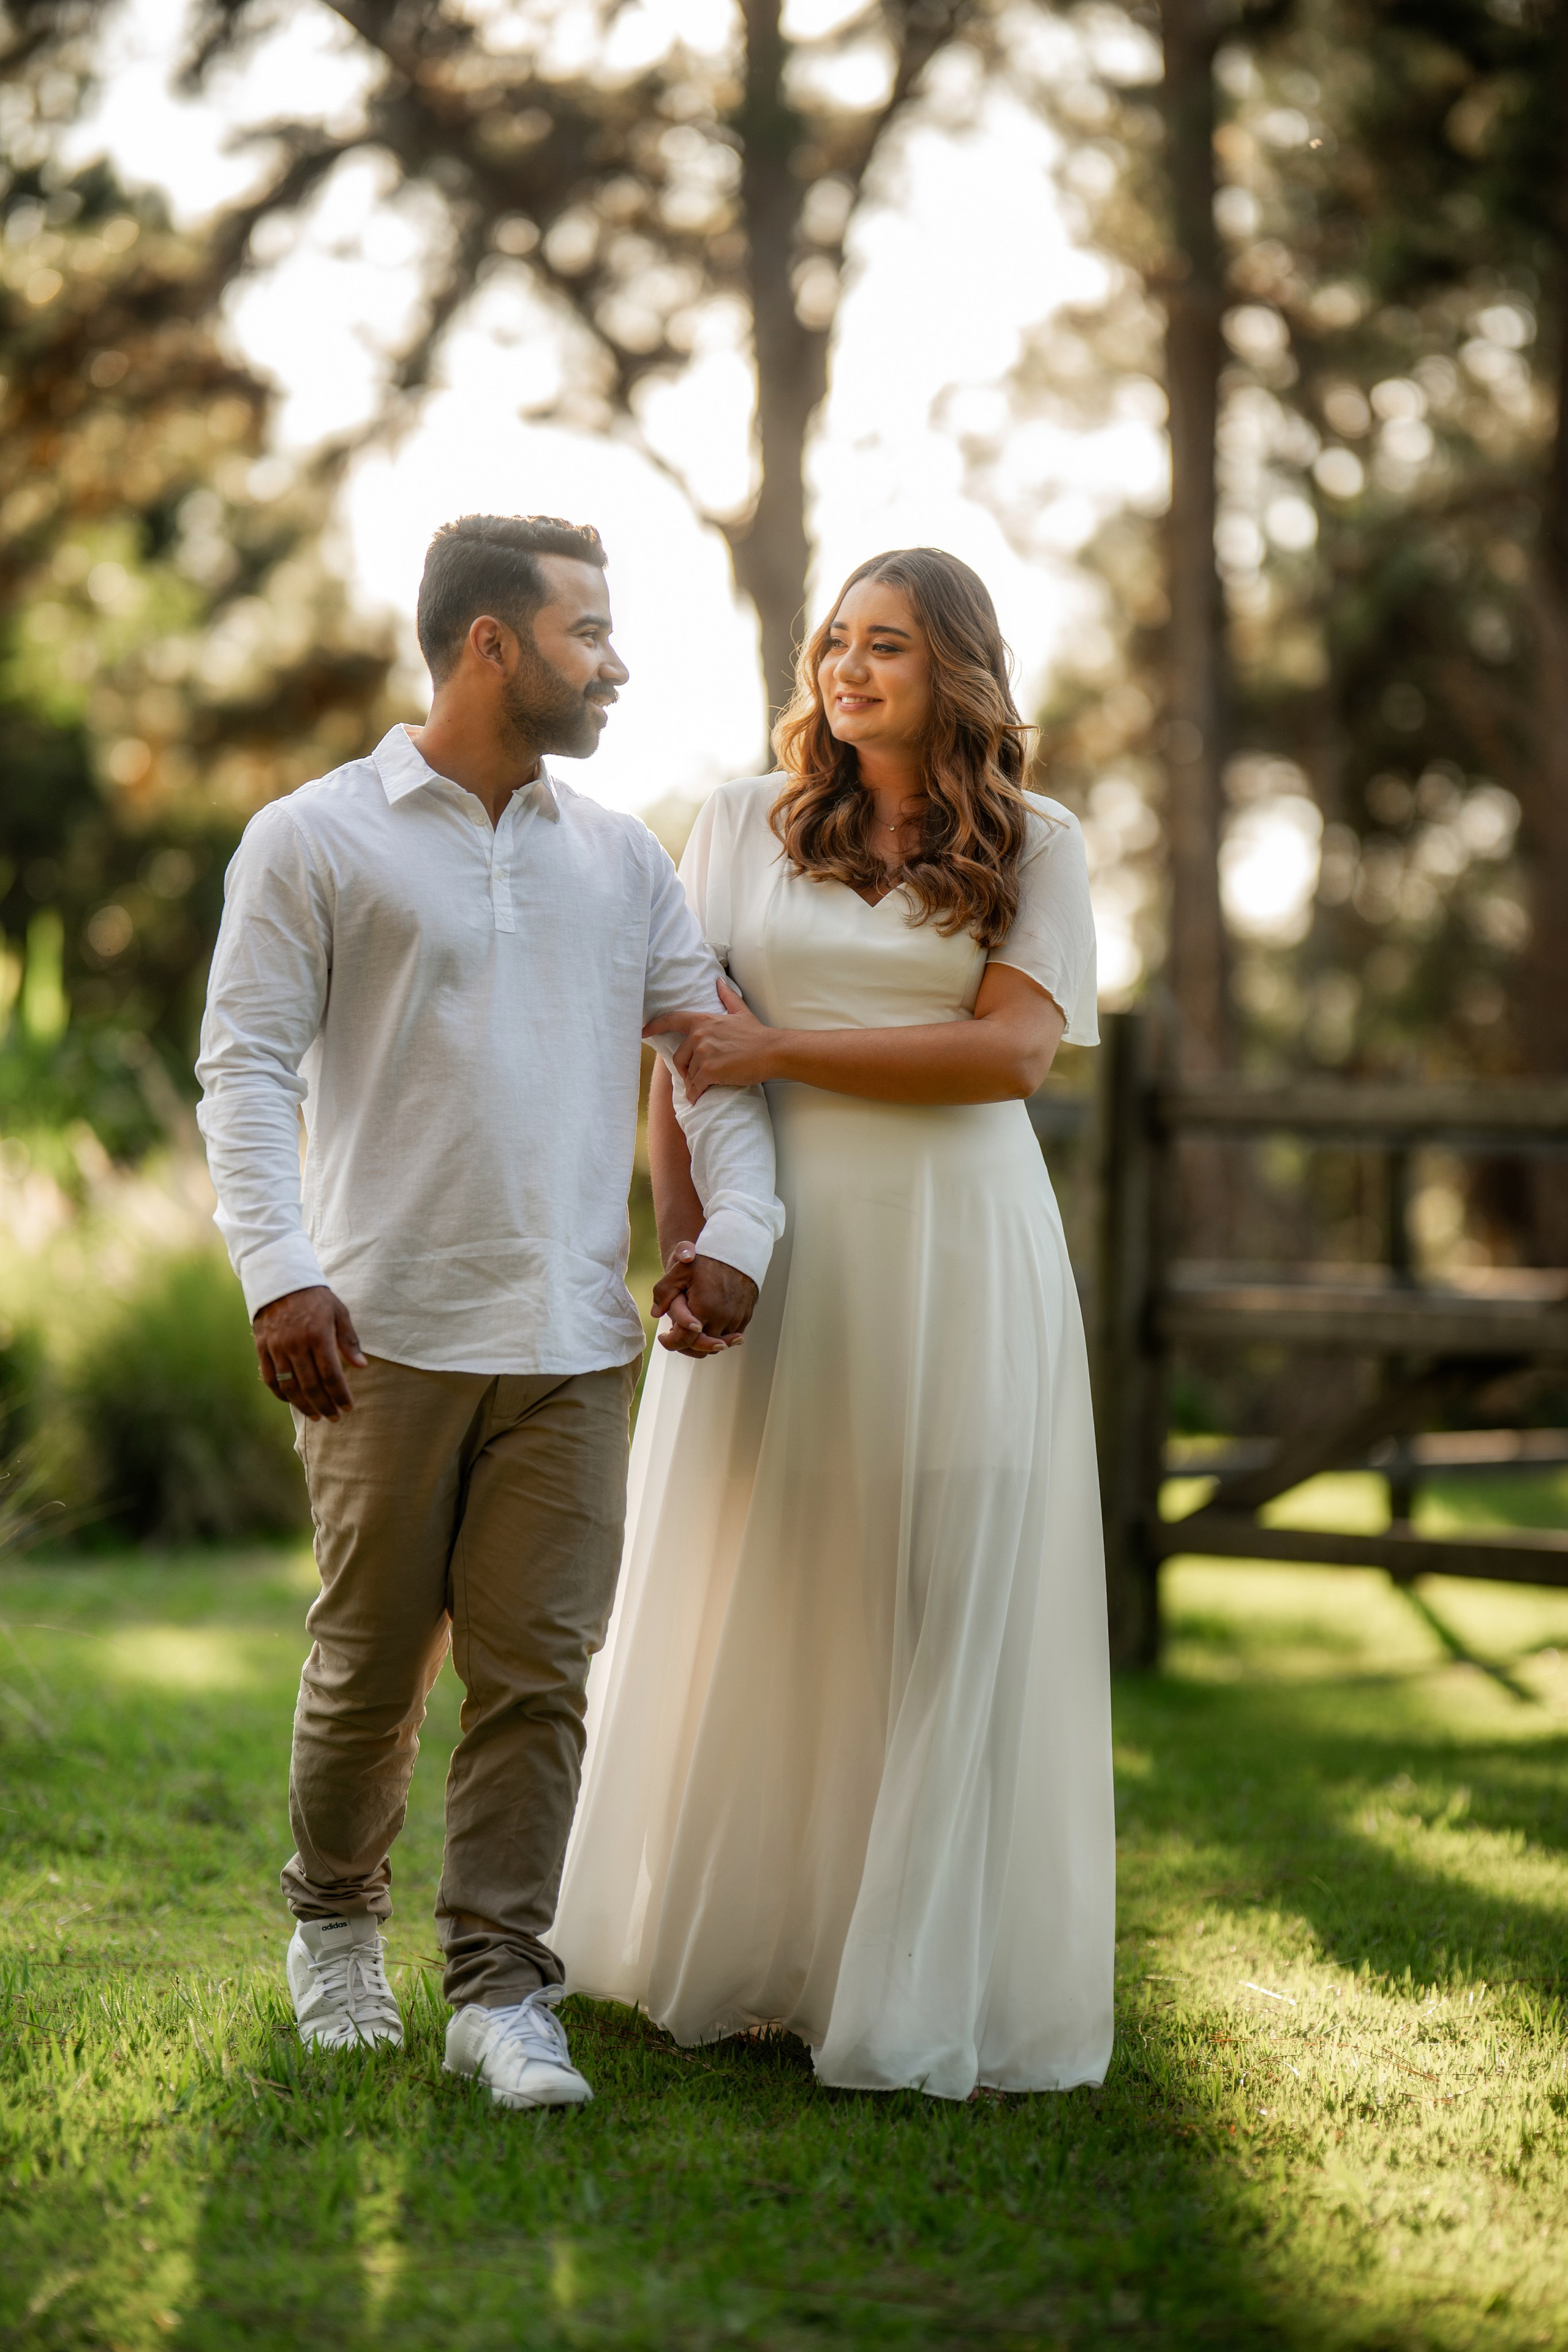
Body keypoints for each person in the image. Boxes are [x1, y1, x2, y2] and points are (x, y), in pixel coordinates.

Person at [195, 513, 782, 2111]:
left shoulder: (623, 857)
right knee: (371, 1671)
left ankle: (498, 1989)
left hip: (577, 1345)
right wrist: (280, 1271)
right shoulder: (312, 839)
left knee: (537, 1678)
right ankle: (331, 1930)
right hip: (378, 1337)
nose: (618, 663)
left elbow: (707, 1055)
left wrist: (742, 1227)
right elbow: (242, 1069)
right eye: (589, 630)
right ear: (491, 645)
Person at [552, 547, 1115, 2100]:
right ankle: (759, 1957)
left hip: (962, 1245)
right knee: (768, 1576)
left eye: (888, 648)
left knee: (941, 1590)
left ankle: (916, 1976)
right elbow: (683, 1047)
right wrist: (688, 1232)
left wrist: (774, 1048)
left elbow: (1009, 1056)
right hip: (778, 1247)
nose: (848, 671)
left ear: (958, 673)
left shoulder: (1041, 841)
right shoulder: (736, 820)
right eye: (835, 643)